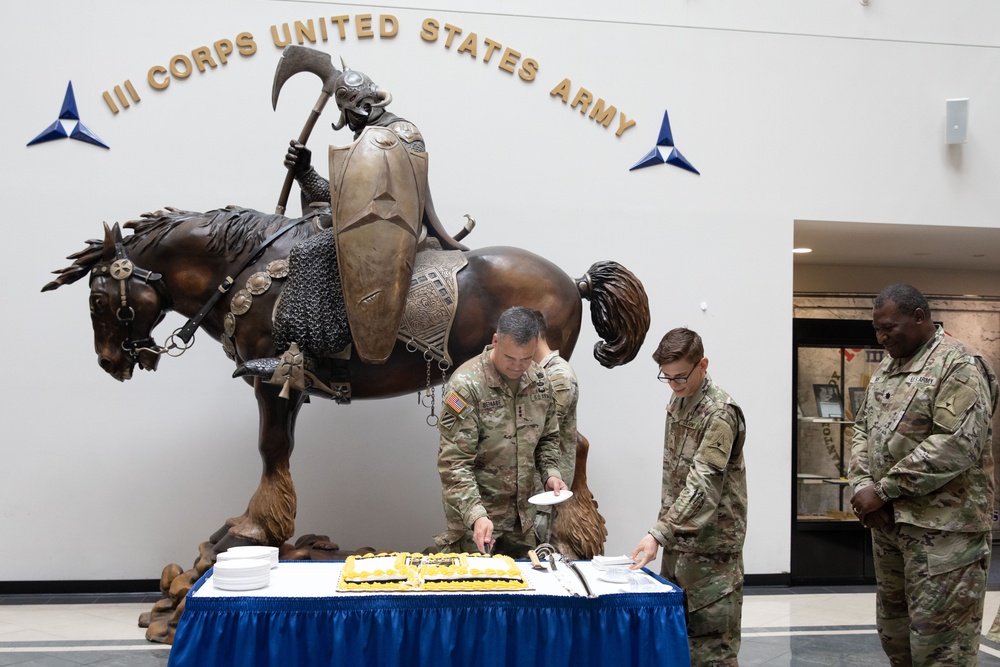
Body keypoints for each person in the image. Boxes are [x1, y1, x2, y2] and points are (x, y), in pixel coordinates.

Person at [848, 283, 998, 666]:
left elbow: (956, 444)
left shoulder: (959, 364)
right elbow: (862, 429)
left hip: (945, 536)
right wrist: (864, 487)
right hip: (892, 527)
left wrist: (883, 490)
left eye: (889, 328)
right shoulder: (888, 367)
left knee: (942, 648)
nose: (882, 338)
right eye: (877, 330)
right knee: (896, 638)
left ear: (920, 318)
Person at [630, 327, 747, 667]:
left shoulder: (720, 413)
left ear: (703, 364)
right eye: (667, 378)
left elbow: (702, 486)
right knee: (678, 646)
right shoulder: (679, 400)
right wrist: (665, 534)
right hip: (679, 546)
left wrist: (657, 533)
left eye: (681, 376)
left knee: (712, 653)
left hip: (713, 555)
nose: (675, 385)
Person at [436, 306, 568, 557]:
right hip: (477, 524)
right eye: (510, 357)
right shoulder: (467, 385)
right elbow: (453, 464)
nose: (518, 366)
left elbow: (547, 438)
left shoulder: (539, 380)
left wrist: (551, 473)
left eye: (526, 358)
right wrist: (476, 516)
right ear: (495, 341)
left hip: (522, 523)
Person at [527, 308, 580, 545]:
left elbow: (541, 432)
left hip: (546, 491)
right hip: (534, 491)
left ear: (533, 337)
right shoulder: (536, 373)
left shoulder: (558, 377)